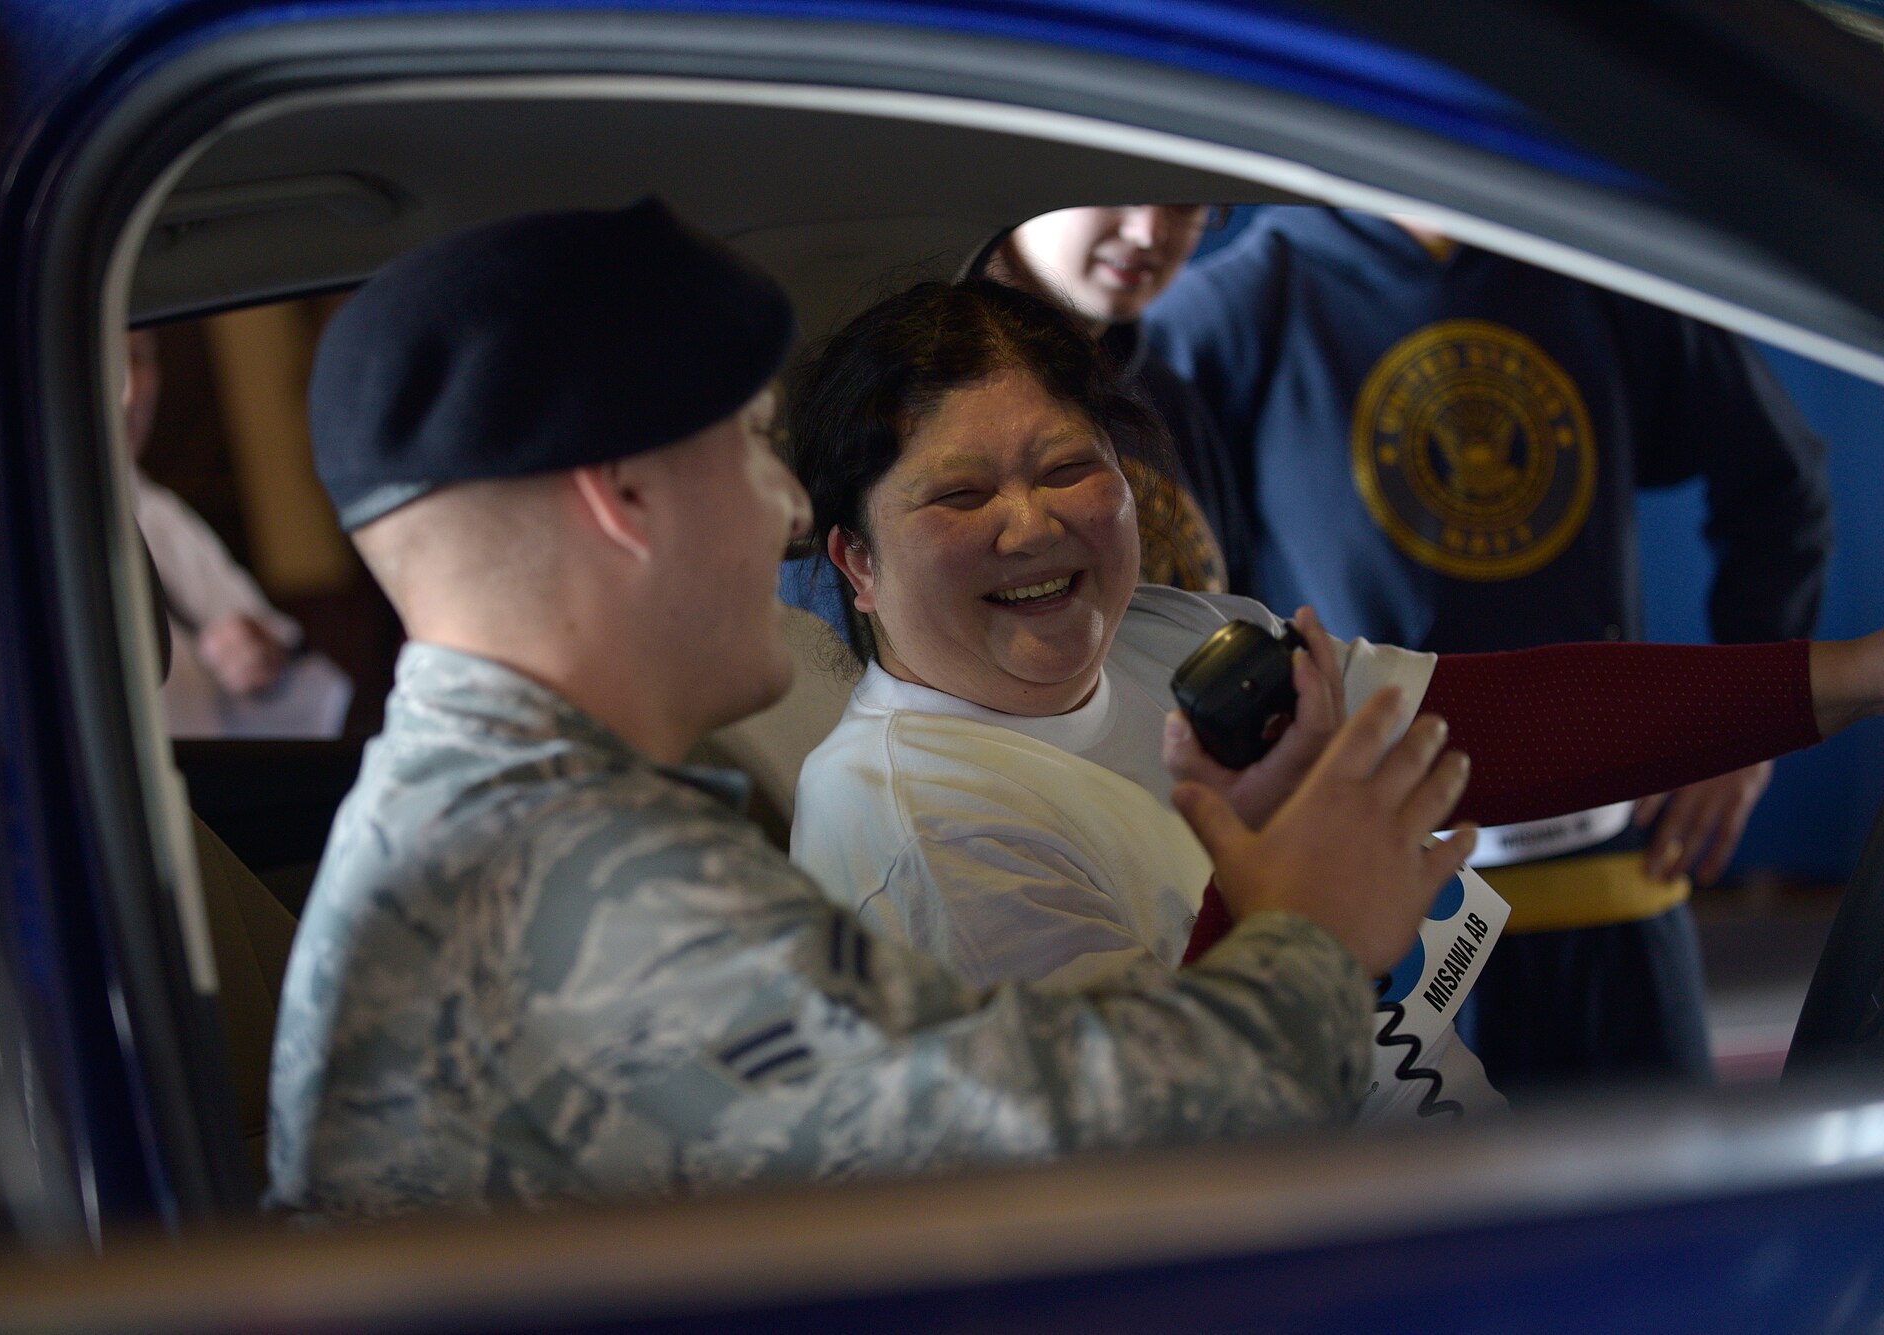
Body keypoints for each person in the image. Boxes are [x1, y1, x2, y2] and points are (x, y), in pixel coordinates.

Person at [265, 201, 1483, 1222]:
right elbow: (1086, 1154)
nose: (789, 510)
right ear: (624, 496)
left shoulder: (502, 813)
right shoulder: (567, 873)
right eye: (749, 445)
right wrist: (1314, 927)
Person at [780, 279, 1866, 1116]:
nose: (1031, 524)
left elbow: (1472, 726)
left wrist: (1857, 672)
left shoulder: (1174, 634)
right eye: (960, 494)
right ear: (856, 562)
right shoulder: (919, 832)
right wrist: (1270, 890)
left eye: (1068, 466)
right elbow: (1154, 1146)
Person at [1143, 207, 1834, 1094]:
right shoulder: (1234, 308)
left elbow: (1783, 485)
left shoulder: (1593, 266)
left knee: (1665, 1218)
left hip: (1615, 891)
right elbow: (1181, 599)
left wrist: (1748, 734)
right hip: (1384, 908)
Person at [981, 204, 1252, 594]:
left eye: (1185, 203)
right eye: (1116, 192)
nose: (1149, 233)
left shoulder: (1164, 394)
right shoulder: (940, 393)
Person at [123, 328, 351, 738]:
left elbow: (308, 710)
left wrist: (267, 674)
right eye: (105, 358)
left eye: (139, 357)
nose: (132, 392)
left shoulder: (160, 515)